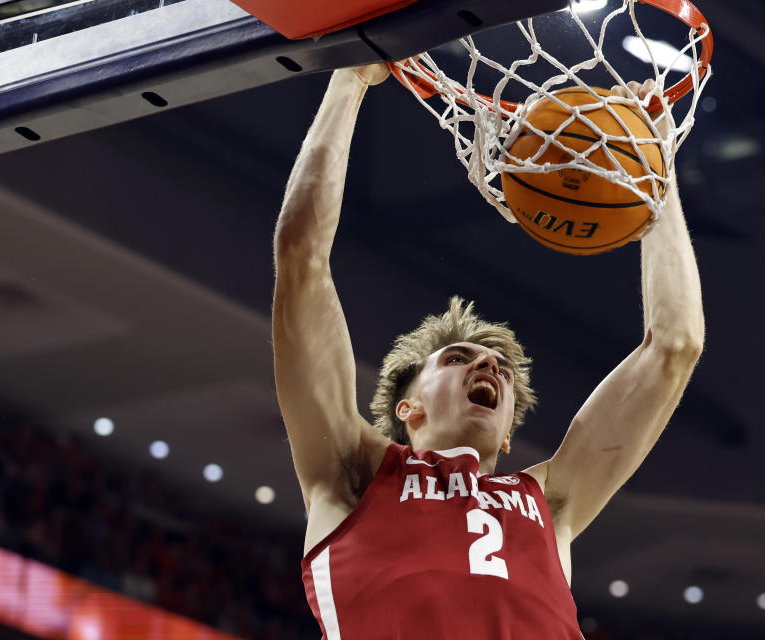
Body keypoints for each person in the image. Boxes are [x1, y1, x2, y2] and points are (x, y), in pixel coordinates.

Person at [272, 63, 704, 639]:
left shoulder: (549, 502)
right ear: (409, 408)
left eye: (497, 366)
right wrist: (349, 79)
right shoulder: (353, 471)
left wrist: (655, 168)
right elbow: (301, 259)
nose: (487, 366)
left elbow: (675, 345)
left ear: (507, 435)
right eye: (456, 359)